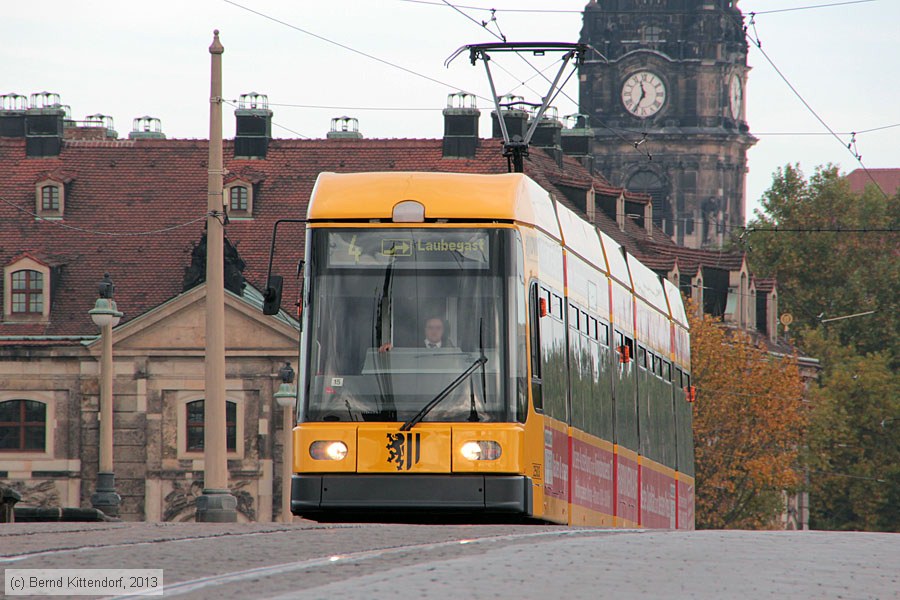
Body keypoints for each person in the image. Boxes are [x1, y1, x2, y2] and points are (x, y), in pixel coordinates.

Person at [378, 316, 450, 352]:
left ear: (443, 330)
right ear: (425, 330)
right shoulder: (411, 346)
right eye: (430, 327)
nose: (434, 331)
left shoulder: (450, 349)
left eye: (438, 328)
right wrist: (389, 349)